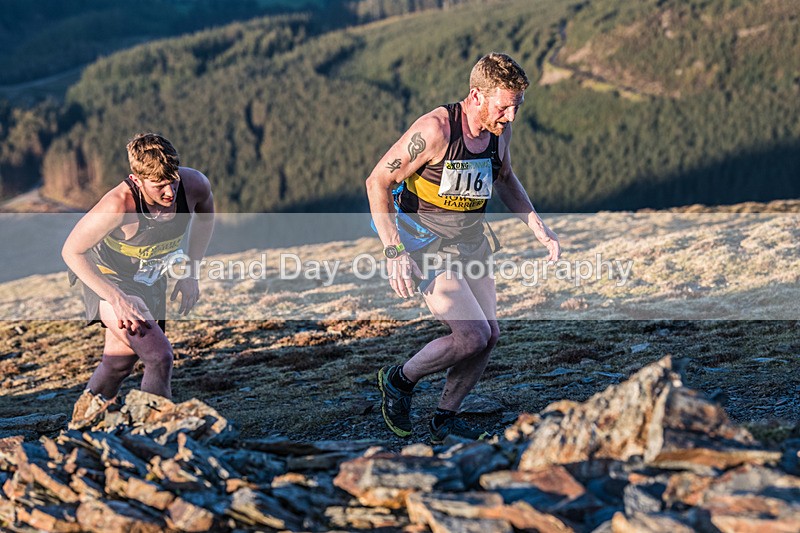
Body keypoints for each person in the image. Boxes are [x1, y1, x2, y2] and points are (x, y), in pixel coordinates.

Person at [366, 53, 561, 443]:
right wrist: (394, 252)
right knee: (471, 334)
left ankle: (445, 419)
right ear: (476, 96)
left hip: (471, 242)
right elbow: (377, 182)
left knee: (490, 335)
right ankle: (399, 380)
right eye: (504, 106)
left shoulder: (498, 130)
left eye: (516, 107)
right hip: (425, 243)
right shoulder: (436, 130)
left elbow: (504, 177)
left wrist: (536, 224)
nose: (511, 117)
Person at [62, 132, 214, 418]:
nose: (169, 192)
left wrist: (191, 272)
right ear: (136, 179)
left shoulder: (194, 184)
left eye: (173, 180)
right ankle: (155, 433)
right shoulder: (118, 205)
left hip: (150, 277)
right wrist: (116, 298)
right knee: (159, 357)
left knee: (118, 363)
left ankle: (82, 423)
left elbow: (206, 215)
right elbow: (71, 252)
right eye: (159, 186)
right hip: (108, 279)